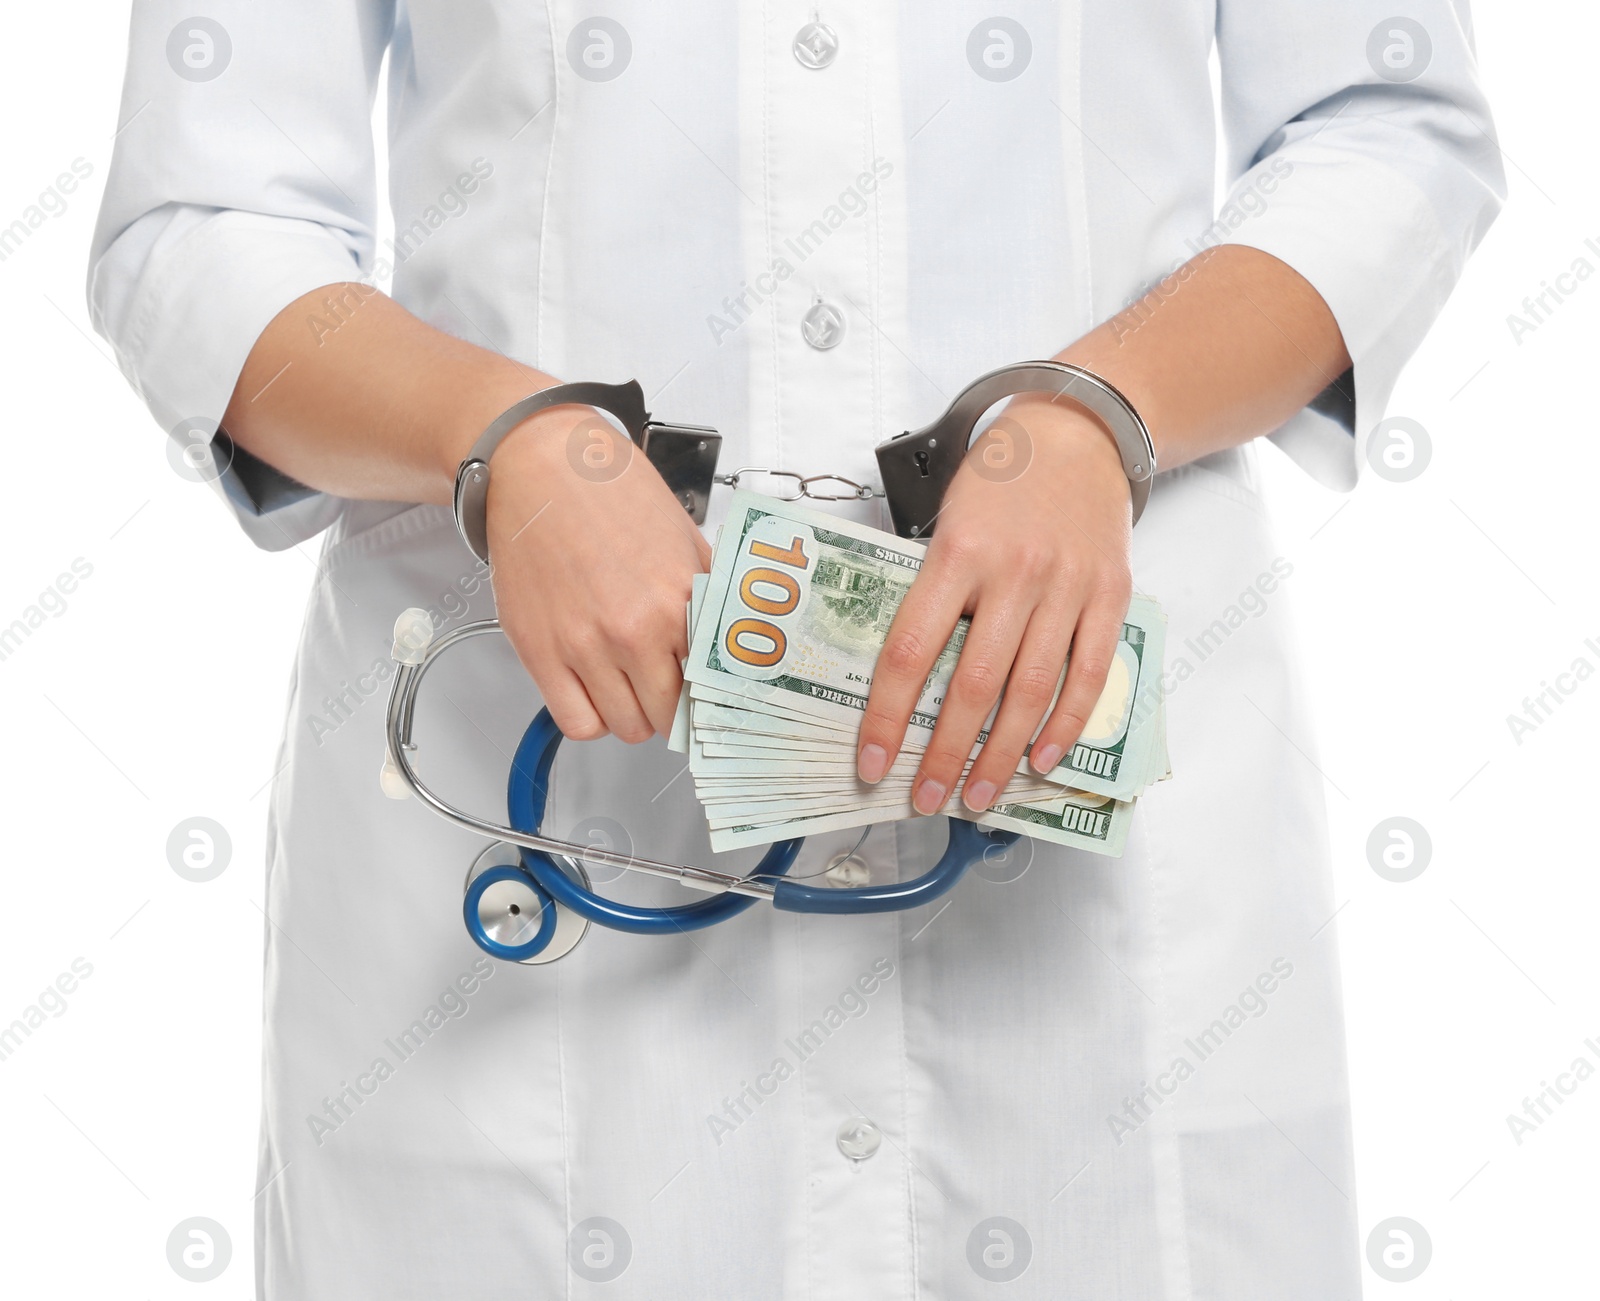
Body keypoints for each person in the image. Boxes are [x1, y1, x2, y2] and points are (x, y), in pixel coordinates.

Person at [89, 3, 1501, 1295]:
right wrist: (495, 435)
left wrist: (1104, 409)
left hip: (1091, 909)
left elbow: (1386, 121)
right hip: (537, 876)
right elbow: (204, 214)